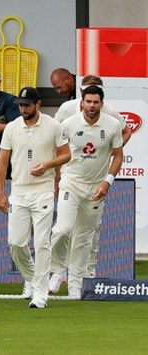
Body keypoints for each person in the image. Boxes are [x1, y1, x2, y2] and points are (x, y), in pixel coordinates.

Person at [50, 75, 131, 286]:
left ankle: (77, 283)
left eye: (96, 102)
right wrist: (56, 178)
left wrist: (107, 181)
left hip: (96, 187)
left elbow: (119, 154)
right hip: (71, 182)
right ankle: (56, 271)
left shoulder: (112, 122)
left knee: (84, 237)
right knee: (63, 229)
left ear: (101, 104)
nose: (92, 105)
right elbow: (58, 150)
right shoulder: (68, 122)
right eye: (88, 101)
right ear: (82, 101)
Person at [0, 87, 70, 309]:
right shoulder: (11, 128)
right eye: (21, 105)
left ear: (38, 104)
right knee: (16, 244)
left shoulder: (53, 126)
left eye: (27, 104)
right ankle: (33, 278)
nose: (23, 108)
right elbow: (2, 161)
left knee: (41, 242)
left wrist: (47, 164)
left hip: (43, 191)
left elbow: (66, 154)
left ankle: (40, 293)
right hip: (18, 192)